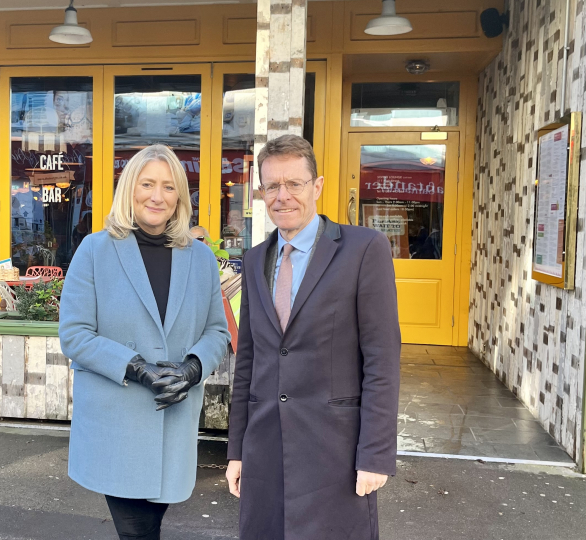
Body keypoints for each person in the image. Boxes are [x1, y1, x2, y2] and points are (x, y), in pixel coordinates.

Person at [225, 134, 401, 540]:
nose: (282, 197)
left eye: (294, 184)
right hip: (265, 449)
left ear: (317, 186)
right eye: (272, 186)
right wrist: (236, 450)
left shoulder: (363, 249)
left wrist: (375, 454)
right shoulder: (253, 261)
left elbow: (382, 358)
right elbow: (247, 360)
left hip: (335, 453)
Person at [59, 144, 229, 540]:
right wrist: (136, 367)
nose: (157, 196)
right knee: (137, 531)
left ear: (180, 197)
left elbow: (217, 332)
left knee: (149, 527)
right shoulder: (95, 250)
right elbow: (75, 334)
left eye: (169, 187)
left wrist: (193, 368)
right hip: (115, 421)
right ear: (129, 189)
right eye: (147, 183)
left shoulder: (201, 259)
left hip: (173, 421)